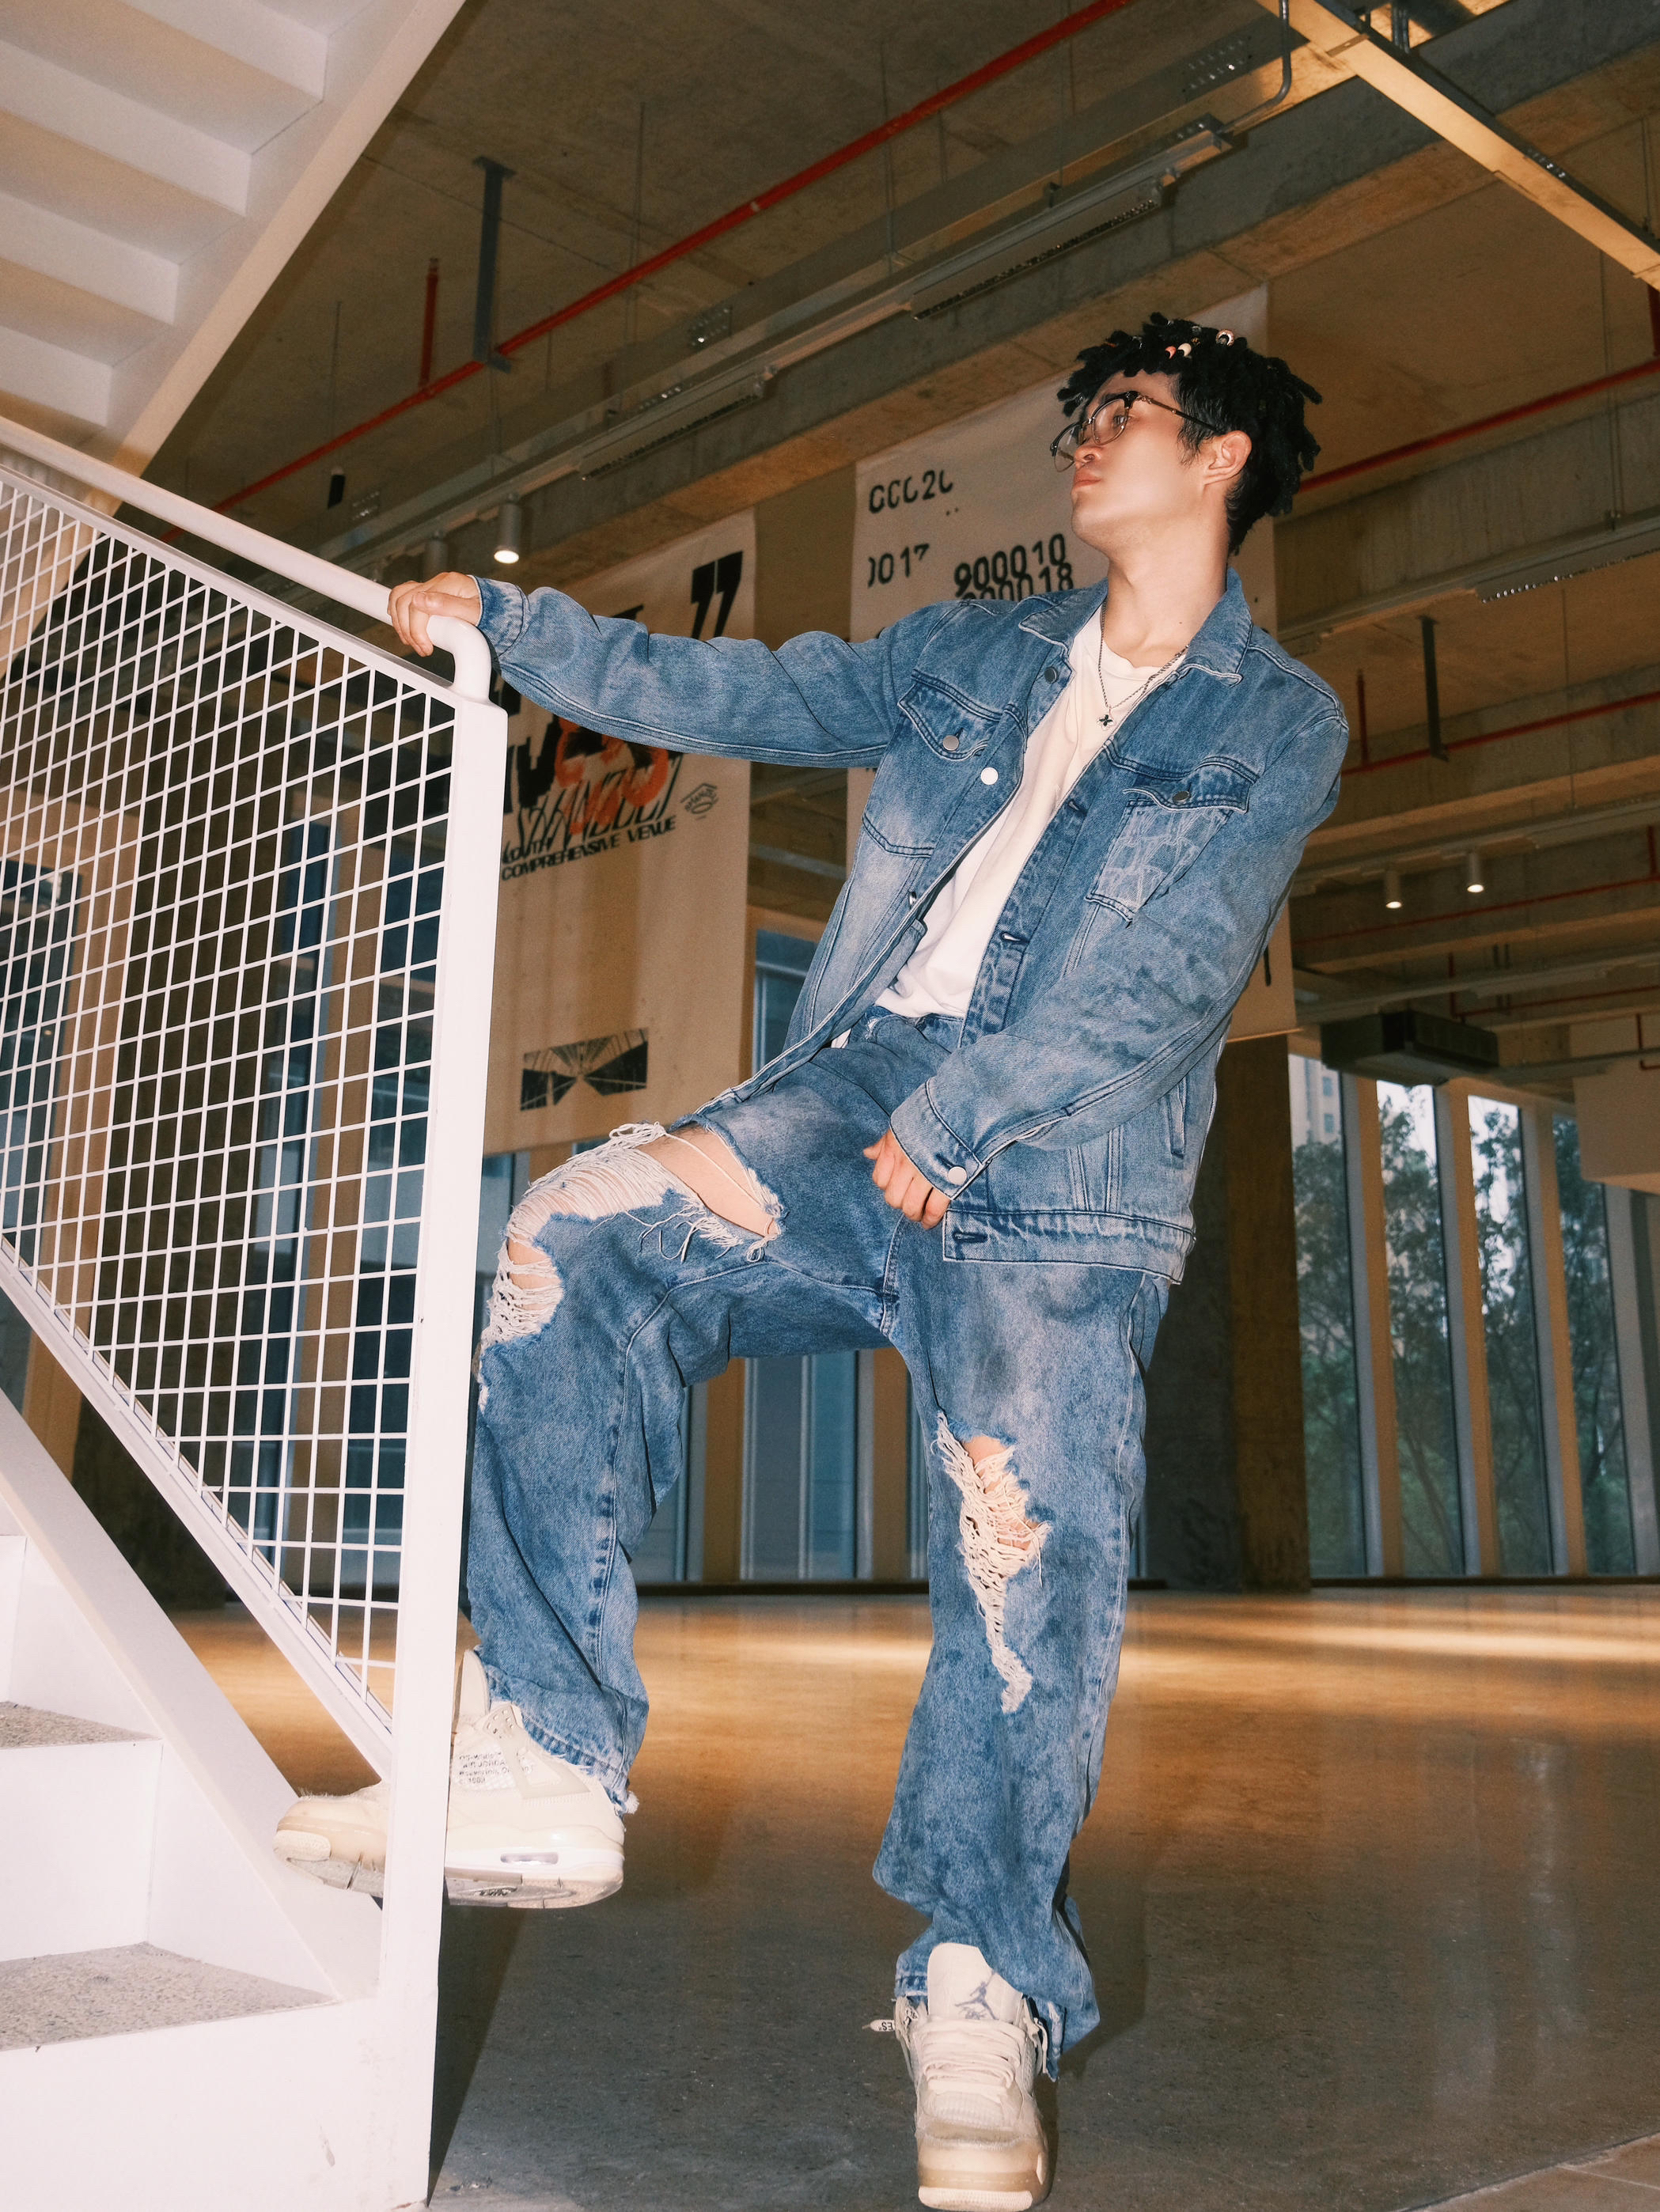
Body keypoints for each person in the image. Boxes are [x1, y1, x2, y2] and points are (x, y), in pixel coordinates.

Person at [275, 312, 1344, 2212]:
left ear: (1222, 458)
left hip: (1060, 1174)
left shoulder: (1275, 719)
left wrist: (969, 1117)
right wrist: (519, 634)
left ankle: (979, 1985)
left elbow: (1171, 977)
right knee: (574, 1238)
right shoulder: (976, 656)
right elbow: (750, 691)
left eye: (1125, 413)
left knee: (1022, 1562)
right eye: (1082, 413)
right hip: (855, 1103)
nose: (1086, 437)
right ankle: (543, 1750)